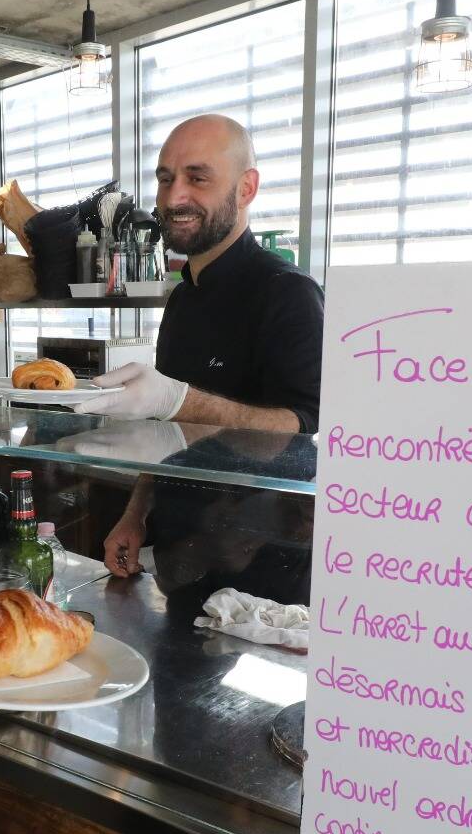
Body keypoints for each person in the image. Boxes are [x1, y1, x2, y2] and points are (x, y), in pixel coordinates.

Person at [74, 114, 325, 581]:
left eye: (198, 178)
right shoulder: (184, 296)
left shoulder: (288, 293)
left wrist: (180, 400)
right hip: (180, 559)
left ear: (246, 188)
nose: (174, 198)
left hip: (264, 577)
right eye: (165, 179)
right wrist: (136, 515)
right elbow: (168, 435)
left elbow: (303, 431)